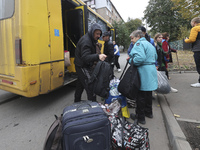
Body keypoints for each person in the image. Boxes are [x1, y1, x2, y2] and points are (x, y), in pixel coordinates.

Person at [129, 30, 158, 124]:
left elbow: (140, 58)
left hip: (143, 71)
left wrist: (130, 61)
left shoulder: (139, 44)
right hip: (151, 70)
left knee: (140, 95)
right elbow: (156, 56)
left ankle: (140, 117)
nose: (131, 41)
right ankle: (149, 112)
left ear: (138, 36)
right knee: (148, 93)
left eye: (132, 38)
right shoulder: (149, 44)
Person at [74, 23, 107, 102]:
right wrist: (98, 56)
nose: (99, 36)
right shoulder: (86, 41)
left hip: (81, 65)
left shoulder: (91, 39)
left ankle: (77, 101)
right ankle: (93, 106)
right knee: (90, 86)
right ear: (92, 32)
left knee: (80, 84)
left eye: (100, 34)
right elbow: (85, 57)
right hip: (82, 66)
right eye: (97, 34)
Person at [185, 17, 200, 88]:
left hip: (198, 49)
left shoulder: (195, 28)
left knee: (199, 66)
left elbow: (192, 39)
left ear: (194, 22)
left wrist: (186, 40)